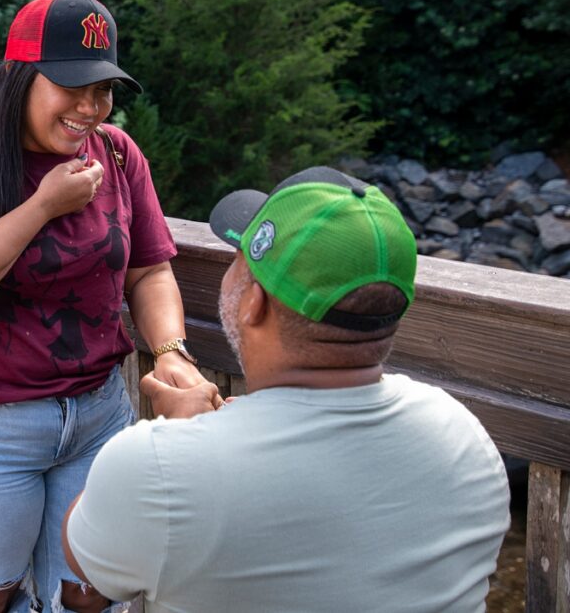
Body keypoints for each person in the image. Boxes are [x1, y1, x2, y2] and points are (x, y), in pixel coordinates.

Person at [63, 166, 511, 612]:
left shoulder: (160, 466)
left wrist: (180, 435)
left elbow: (83, 559)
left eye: (238, 258)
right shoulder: (462, 434)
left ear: (253, 303)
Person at [0, 0, 205, 613]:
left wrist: (171, 350)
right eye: (71, 86)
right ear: (20, 76)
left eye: (104, 89)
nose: (90, 107)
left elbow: (150, 270)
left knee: (91, 596)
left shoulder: (117, 153)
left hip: (97, 417)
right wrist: (43, 206)